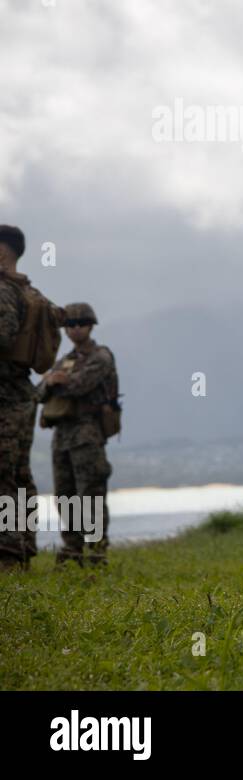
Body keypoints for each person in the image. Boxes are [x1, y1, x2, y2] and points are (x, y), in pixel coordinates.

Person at [0, 224, 61, 571]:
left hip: (6, 395)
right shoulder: (29, 291)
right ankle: (21, 550)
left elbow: (4, 335)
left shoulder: (4, 291)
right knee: (18, 475)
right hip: (20, 393)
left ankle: (8, 558)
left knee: (4, 477)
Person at [39, 302, 119, 566]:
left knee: (91, 495)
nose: (74, 330)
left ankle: (97, 552)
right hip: (62, 436)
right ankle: (72, 551)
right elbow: (40, 391)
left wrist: (58, 381)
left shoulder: (101, 357)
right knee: (65, 496)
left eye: (80, 324)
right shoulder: (65, 360)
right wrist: (52, 381)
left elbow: (79, 385)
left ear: (90, 325)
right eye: (69, 326)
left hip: (88, 434)